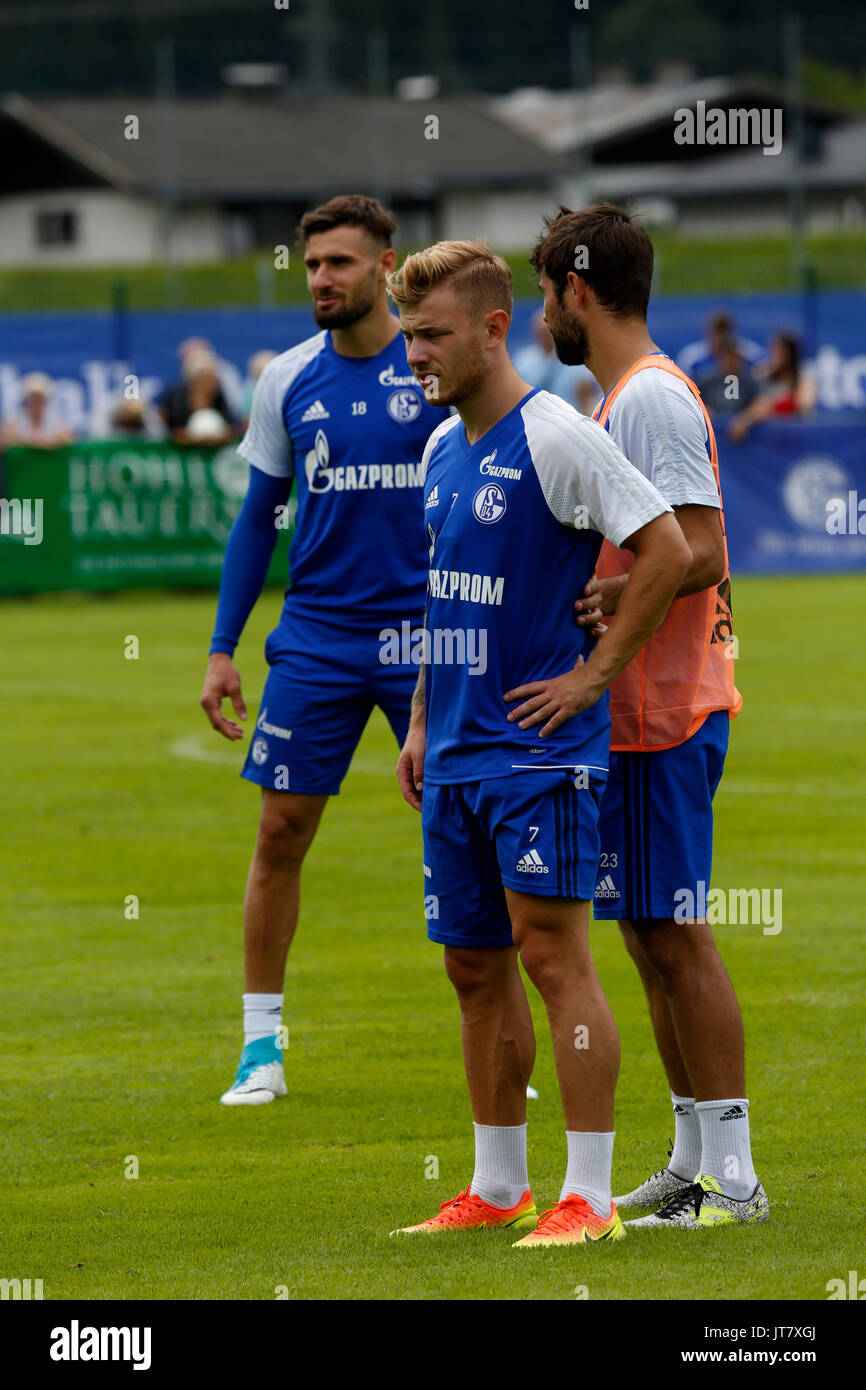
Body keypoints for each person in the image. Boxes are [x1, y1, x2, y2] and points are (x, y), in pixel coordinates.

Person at [388, 239, 690, 1244]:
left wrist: (590, 680)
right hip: (460, 753)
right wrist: (424, 720)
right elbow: (445, 600)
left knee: (553, 961)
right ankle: (496, 1184)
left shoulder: (553, 435)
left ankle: (590, 1198)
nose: (413, 356)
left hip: (538, 754)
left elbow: (668, 549)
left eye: (429, 336)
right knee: (472, 968)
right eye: (404, 337)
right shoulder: (438, 451)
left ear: (490, 327)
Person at [533, 202, 769, 1230]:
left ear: (577, 290)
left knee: (674, 931)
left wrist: (616, 597)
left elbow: (706, 548)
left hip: (664, 709)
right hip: (634, 713)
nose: (540, 316)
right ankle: (688, 1161)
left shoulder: (651, 399)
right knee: (643, 932)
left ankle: (736, 1174)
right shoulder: (620, 398)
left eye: (544, 294)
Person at [200, 195, 446, 1106]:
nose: (322, 280)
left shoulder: (433, 368)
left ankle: (498, 1030)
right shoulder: (286, 381)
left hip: (430, 639)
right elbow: (258, 517)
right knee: (278, 834)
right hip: (317, 641)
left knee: (460, 833)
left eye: (340, 263)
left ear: (386, 267)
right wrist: (223, 649)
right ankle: (260, 1048)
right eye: (311, 266)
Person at [727, 332, 816, 441]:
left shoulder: (804, 376)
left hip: (795, 437)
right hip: (769, 439)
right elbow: (755, 403)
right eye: (773, 351)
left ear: (789, 354)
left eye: (779, 352)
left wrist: (772, 406)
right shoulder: (763, 374)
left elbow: (803, 405)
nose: (774, 356)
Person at [513, 308, 600, 415]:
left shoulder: (576, 360)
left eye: (547, 331)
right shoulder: (523, 360)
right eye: (541, 331)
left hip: (568, 422)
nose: (544, 336)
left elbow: (586, 398)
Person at [695, 332, 759, 419]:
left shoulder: (749, 381)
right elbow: (694, 402)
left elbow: (761, 404)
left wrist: (746, 418)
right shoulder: (707, 380)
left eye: (733, 356)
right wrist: (704, 410)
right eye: (726, 355)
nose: (730, 360)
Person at [1, 373, 74, 447]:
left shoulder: (57, 421)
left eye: (39, 399)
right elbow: (5, 440)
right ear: (26, 400)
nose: (35, 403)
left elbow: (68, 441)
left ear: (45, 400)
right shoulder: (14, 420)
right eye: (33, 399)